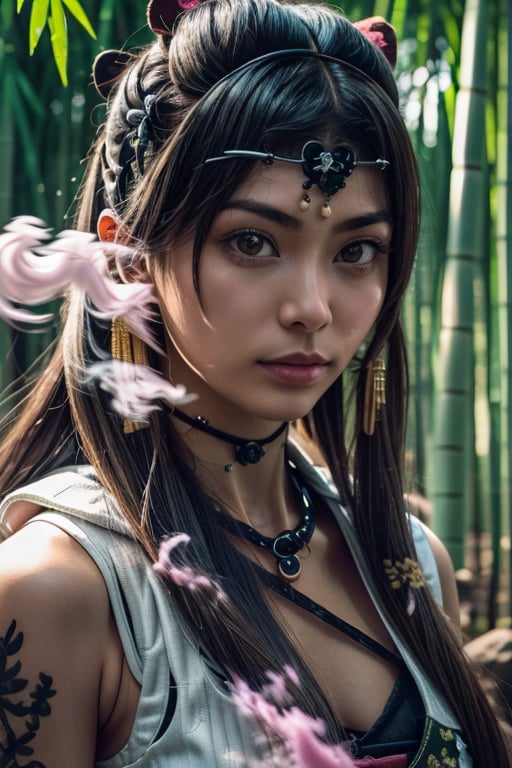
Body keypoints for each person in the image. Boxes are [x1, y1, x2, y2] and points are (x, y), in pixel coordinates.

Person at [0, 0, 509, 765]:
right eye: (252, 241)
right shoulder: (59, 592)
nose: (313, 307)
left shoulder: (411, 563)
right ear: (129, 254)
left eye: (357, 250)